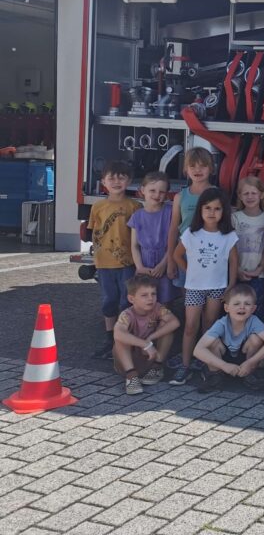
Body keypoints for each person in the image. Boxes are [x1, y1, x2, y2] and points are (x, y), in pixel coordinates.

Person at [169, 187, 238, 385]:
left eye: (217, 208)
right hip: (194, 287)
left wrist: (231, 284)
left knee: (210, 325)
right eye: (207, 208)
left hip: (217, 287)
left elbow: (234, 262)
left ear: (223, 211)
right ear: (200, 210)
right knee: (190, 326)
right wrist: (189, 271)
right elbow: (176, 255)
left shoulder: (228, 236)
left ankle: (205, 361)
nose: (211, 212)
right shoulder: (191, 233)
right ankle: (185, 364)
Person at [88, 159, 141, 359]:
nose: (116, 182)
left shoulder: (134, 206)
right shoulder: (98, 206)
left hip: (127, 262)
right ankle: (109, 338)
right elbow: (95, 232)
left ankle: (125, 337)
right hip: (104, 263)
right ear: (103, 182)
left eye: (121, 178)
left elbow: (138, 236)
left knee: (126, 301)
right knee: (108, 300)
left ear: (129, 181)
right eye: (112, 178)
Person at [193, 283, 264, 391]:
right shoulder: (221, 323)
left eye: (247, 304)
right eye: (236, 303)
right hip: (224, 358)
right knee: (212, 342)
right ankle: (215, 375)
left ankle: (249, 373)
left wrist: (251, 362)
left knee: (255, 339)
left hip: (245, 358)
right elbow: (197, 350)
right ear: (226, 307)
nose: (242, 307)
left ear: (253, 308)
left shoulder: (254, 321)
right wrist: (224, 365)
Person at [112, 274, 180, 394]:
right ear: (131, 299)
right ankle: (131, 377)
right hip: (128, 362)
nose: (150, 298)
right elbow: (118, 334)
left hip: (151, 358)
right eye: (144, 295)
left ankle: (157, 368)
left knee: (166, 324)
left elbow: (175, 322)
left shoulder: (158, 308)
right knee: (121, 335)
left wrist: (150, 338)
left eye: (153, 294)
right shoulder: (127, 314)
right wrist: (145, 344)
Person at [166, 147, 214, 289]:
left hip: (210, 251)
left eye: (203, 165)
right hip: (184, 251)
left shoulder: (217, 194)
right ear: (185, 169)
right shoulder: (180, 197)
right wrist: (170, 259)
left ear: (211, 168)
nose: (197, 170)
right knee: (187, 291)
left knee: (209, 290)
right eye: (192, 166)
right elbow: (174, 228)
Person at [127, 171, 175, 304]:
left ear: (166, 194)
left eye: (161, 192)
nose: (157, 195)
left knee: (164, 302)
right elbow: (135, 245)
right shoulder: (137, 216)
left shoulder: (170, 213)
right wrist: (140, 267)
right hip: (145, 264)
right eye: (152, 190)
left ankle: (164, 324)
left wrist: (163, 265)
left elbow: (174, 242)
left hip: (163, 261)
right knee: (145, 301)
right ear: (143, 190)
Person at [232, 176, 264, 308]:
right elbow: (230, 248)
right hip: (237, 274)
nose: (250, 197)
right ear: (240, 196)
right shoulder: (235, 218)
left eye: (254, 193)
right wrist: (236, 269)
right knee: (238, 310)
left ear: (261, 194)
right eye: (246, 193)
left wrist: (260, 269)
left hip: (260, 276)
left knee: (257, 310)